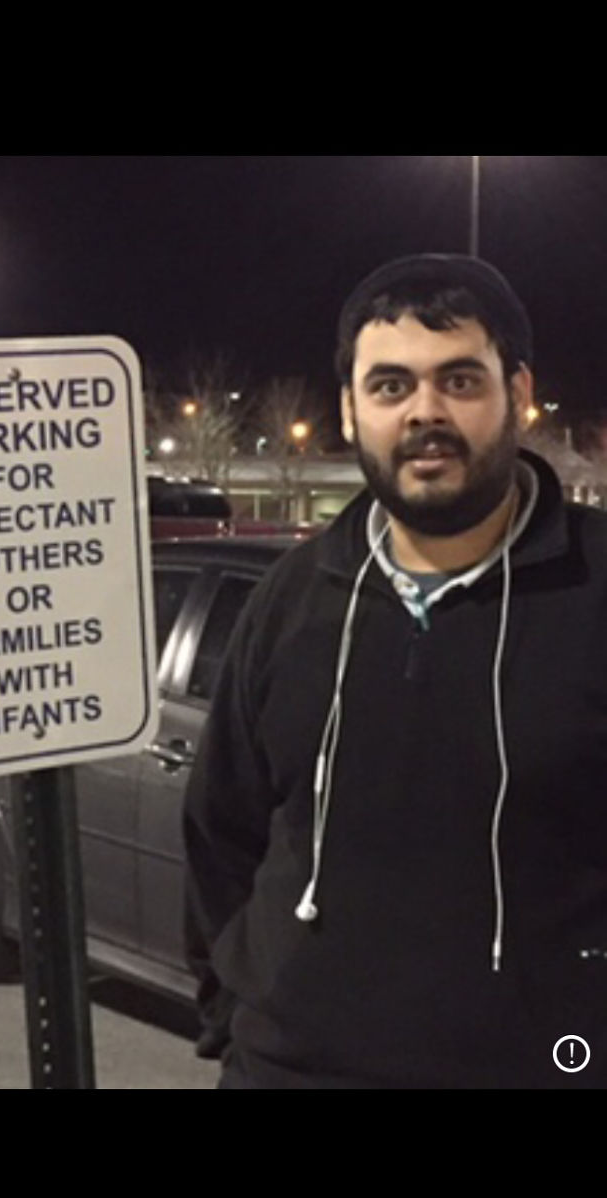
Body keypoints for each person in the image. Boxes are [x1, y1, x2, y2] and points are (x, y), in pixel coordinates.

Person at [183, 252, 607, 1089]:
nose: (426, 412)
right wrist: (241, 1021)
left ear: (518, 392)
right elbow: (219, 832)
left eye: (459, 380)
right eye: (390, 386)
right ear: (348, 409)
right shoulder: (290, 598)